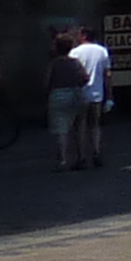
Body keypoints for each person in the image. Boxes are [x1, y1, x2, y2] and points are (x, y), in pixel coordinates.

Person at [68, 21, 114, 171]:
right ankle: (96, 152)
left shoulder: (75, 52)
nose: (76, 36)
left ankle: (81, 157)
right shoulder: (102, 51)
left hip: (79, 94)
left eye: (79, 34)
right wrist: (109, 96)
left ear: (84, 36)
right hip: (97, 94)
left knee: (80, 126)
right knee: (95, 126)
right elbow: (107, 74)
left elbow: (72, 74)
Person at [45, 26, 84, 170]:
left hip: (59, 94)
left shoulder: (54, 64)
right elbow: (84, 77)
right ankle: (81, 156)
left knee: (61, 129)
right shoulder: (75, 62)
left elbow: (46, 82)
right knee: (78, 126)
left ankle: (63, 159)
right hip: (76, 93)